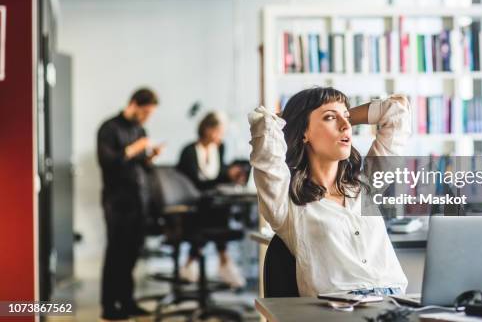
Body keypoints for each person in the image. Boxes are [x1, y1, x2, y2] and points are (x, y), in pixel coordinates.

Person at [248, 87, 410, 296]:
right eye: (330, 118)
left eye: (347, 117)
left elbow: (397, 110)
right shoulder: (287, 204)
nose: (346, 126)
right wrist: (295, 119)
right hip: (337, 310)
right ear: (304, 133)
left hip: (395, 304)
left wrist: (339, 118)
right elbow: (264, 124)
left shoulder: (366, 187)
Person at [97, 88, 163, 321]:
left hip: (139, 201)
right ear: (133, 104)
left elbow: (140, 167)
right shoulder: (109, 128)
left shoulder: (140, 129)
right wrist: (133, 149)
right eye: (144, 112)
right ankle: (108, 306)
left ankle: (127, 301)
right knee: (116, 253)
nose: (146, 118)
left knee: (133, 254)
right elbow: (107, 162)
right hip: (117, 201)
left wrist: (149, 157)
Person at [176, 112, 247, 288]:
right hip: (191, 204)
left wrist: (231, 174)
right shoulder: (189, 151)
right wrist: (223, 178)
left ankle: (194, 260)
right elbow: (195, 183)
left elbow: (219, 174)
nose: (220, 136)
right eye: (218, 131)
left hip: (209, 204)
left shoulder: (219, 148)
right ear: (208, 130)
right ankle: (224, 260)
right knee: (214, 210)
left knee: (218, 206)